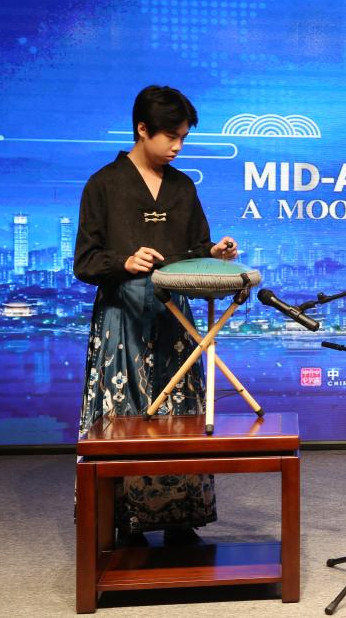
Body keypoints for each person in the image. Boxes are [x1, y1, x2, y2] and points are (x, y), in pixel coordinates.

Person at [74, 85, 238, 546]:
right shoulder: (103, 184)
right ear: (142, 129)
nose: (178, 146)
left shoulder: (183, 187)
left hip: (173, 319)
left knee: (181, 414)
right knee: (125, 417)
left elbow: (193, 251)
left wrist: (215, 252)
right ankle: (126, 522)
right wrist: (123, 263)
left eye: (183, 137)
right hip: (121, 321)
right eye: (170, 136)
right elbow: (85, 262)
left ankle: (180, 517)